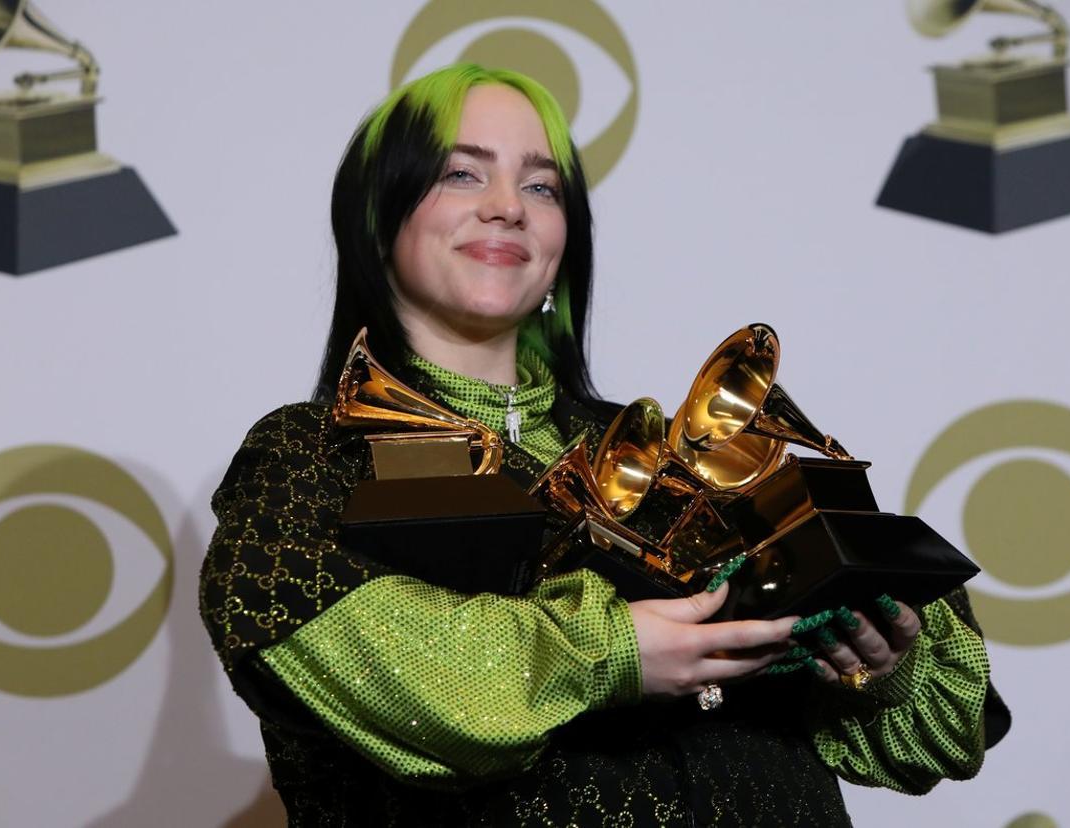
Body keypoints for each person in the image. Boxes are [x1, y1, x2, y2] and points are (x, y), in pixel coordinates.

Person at [200, 63, 1008, 826]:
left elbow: (940, 737)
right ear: (377, 217)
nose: (508, 205)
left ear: (564, 244)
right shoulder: (308, 457)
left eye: (541, 185)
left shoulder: (683, 450)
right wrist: (615, 650)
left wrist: (876, 660)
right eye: (462, 172)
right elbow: (395, 672)